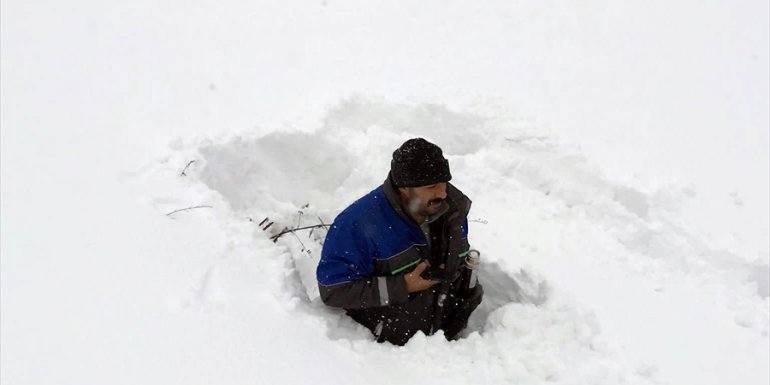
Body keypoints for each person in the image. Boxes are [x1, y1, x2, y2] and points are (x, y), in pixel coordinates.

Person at [316, 138, 483, 345]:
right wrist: (402, 286)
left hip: (447, 340)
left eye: (443, 182)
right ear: (404, 187)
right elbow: (333, 289)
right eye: (431, 186)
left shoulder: (453, 210)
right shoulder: (358, 224)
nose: (441, 192)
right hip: (390, 358)